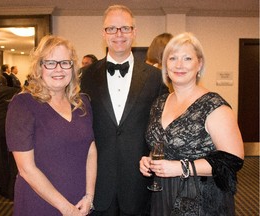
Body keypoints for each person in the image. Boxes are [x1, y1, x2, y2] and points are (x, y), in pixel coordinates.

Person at [139, 32, 244, 215]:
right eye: (173, 58)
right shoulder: (159, 103)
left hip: (200, 199)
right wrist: (149, 160)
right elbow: (163, 145)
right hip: (162, 195)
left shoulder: (213, 105)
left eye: (187, 58)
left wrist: (180, 167)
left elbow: (232, 161)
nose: (179, 65)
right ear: (165, 65)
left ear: (199, 64)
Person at [81, 5, 169, 216]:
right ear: (104, 34)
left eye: (125, 28)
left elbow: (164, 125)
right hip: (98, 180)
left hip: (139, 182)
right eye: (111, 29)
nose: (118, 34)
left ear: (134, 32)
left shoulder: (155, 78)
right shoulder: (84, 76)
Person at [5, 35, 97, 216]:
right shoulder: (23, 104)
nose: (58, 69)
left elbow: (91, 150)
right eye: (50, 63)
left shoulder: (82, 103)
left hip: (79, 203)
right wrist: (66, 208)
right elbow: (26, 169)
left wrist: (89, 196)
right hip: (39, 202)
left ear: (72, 67)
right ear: (39, 67)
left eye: (65, 62)